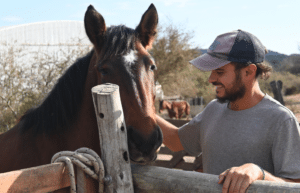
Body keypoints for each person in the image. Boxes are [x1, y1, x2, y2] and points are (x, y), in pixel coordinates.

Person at [156, 29, 300, 193]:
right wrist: (141, 110)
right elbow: (176, 141)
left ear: (248, 71)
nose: (211, 79)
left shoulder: (281, 120)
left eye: (220, 71)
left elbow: (295, 185)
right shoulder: (213, 109)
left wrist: (258, 173)